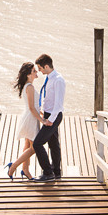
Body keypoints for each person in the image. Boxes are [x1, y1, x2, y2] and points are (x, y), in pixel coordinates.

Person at [3, 62, 48, 180]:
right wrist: (42, 120)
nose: (36, 72)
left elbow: (34, 107)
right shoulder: (30, 87)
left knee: (28, 145)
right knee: (34, 148)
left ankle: (25, 170)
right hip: (31, 119)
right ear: (28, 75)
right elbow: (32, 108)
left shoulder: (28, 86)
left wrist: (42, 113)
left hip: (31, 117)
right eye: (34, 71)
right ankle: (13, 166)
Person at [32, 53, 65, 181]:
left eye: (40, 68)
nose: (39, 71)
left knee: (37, 143)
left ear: (46, 66)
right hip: (47, 113)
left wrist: (50, 120)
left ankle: (48, 172)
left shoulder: (58, 80)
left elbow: (58, 104)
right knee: (53, 143)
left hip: (53, 116)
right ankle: (56, 171)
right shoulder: (50, 78)